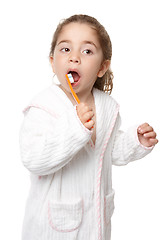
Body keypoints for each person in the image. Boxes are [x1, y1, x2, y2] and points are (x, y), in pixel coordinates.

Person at [19, 14, 158, 240]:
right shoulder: (44, 107)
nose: (74, 58)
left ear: (102, 67)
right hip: (52, 227)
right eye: (65, 50)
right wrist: (74, 128)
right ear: (52, 61)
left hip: (95, 223)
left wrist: (135, 141)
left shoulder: (106, 107)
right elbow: (34, 159)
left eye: (87, 51)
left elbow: (107, 150)